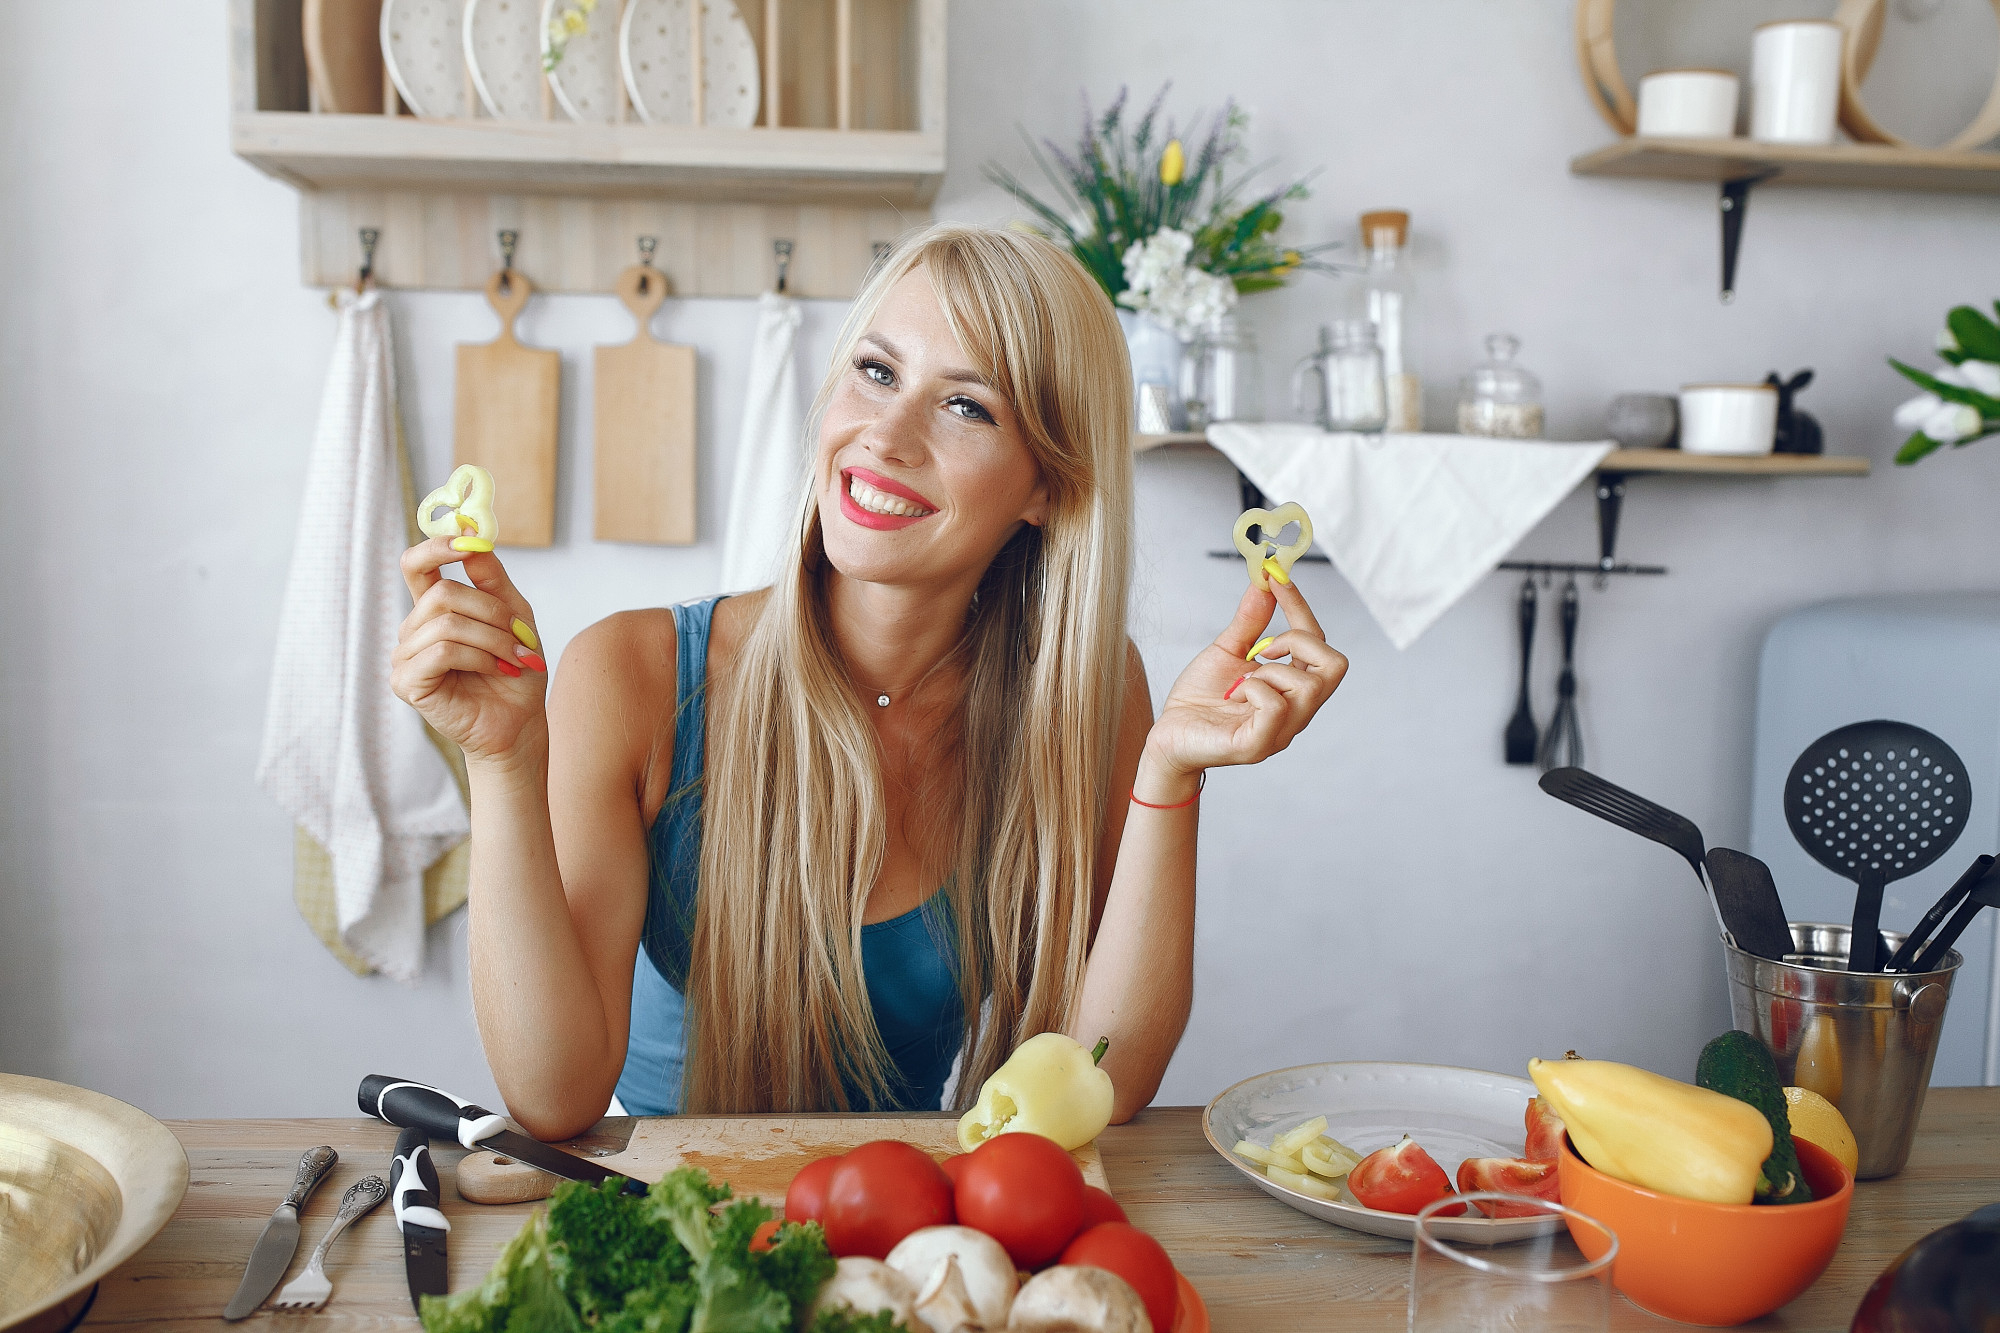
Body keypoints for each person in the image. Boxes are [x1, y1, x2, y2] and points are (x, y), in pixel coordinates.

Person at [392, 224, 1347, 1141]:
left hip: (909, 1221)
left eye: (966, 405)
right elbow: (554, 1098)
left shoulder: (1090, 698)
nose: (884, 435)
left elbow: (1104, 1076)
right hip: (669, 1216)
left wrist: (1169, 776)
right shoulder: (630, 675)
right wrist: (504, 758)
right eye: (876, 371)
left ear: (1047, 489)